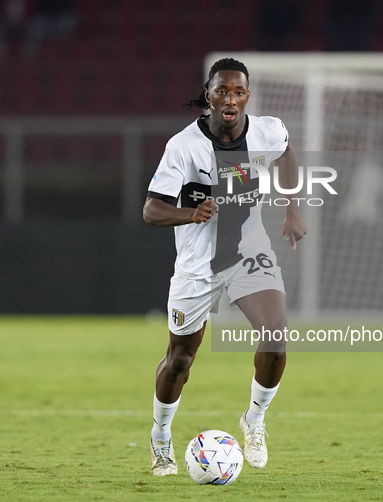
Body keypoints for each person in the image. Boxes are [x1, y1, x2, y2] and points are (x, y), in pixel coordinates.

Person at [143, 58, 307, 476]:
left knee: (275, 340)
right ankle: (160, 438)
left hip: (250, 254)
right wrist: (190, 214)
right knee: (180, 359)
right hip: (198, 266)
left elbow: (287, 151)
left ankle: (254, 421)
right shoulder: (183, 147)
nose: (230, 99)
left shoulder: (266, 130)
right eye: (222, 91)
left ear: (247, 96)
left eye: (238, 91)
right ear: (209, 95)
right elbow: (151, 210)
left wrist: (292, 210)